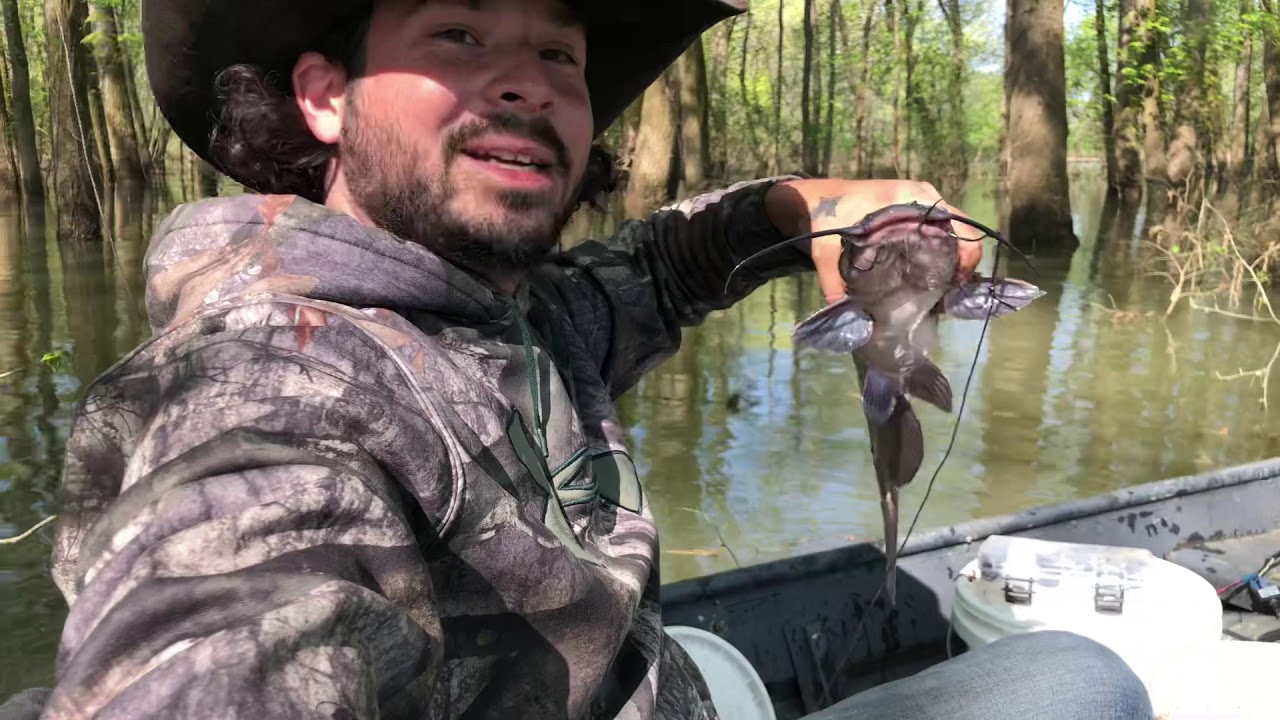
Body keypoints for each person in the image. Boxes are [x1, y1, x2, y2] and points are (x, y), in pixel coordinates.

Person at [2, 0, 1153, 718]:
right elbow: (220, 635)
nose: (528, 80)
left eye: (558, 50)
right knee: (1082, 682)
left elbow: (662, 267)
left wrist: (806, 207)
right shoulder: (266, 387)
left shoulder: (510, 314)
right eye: (459, 33)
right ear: (322, 100)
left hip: (663, 685)